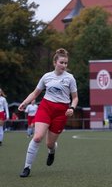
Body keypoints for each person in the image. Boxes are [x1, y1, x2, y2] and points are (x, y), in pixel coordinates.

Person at [18, 48, 78, 178]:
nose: (64, 65)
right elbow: (35, 93)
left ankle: (51, 151)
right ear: (55, 62)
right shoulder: (46, 76)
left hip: (61, 112)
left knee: (49, 144)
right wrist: (25, 102)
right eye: (62, 62)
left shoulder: (70, 78)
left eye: (66, 63)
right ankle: (26, 167)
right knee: (37, 137)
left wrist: (72, 108)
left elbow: (75, 97)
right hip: (46, 107)